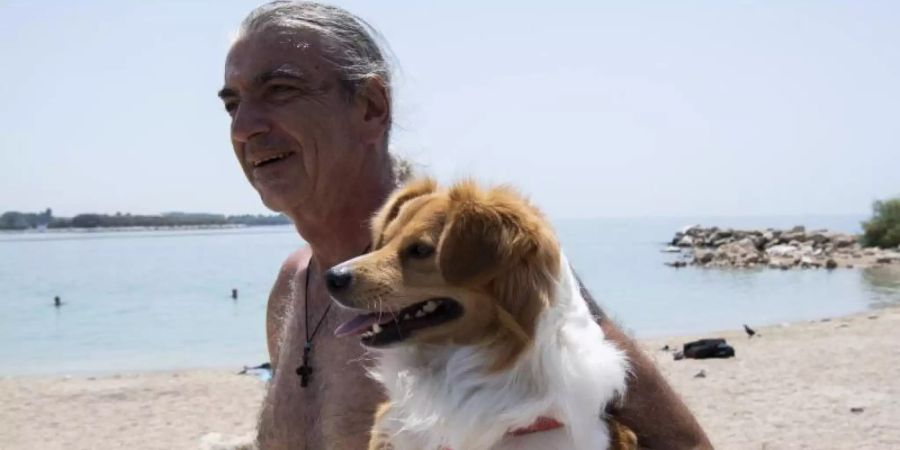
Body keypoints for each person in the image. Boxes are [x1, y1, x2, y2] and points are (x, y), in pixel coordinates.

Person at [219, 2, 712, 449]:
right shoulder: (294, 285)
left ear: (370, 107)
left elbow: (684, 447)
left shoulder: (483, 264)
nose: (244, 127)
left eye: (279, 90)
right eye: (232, 103)